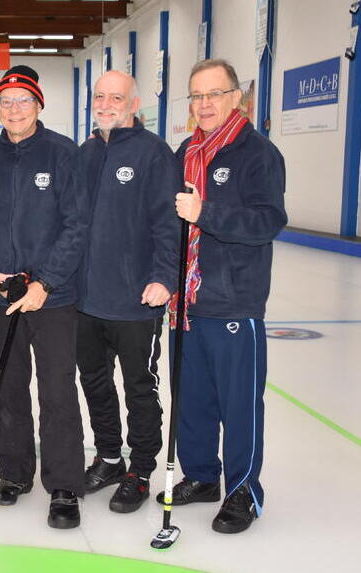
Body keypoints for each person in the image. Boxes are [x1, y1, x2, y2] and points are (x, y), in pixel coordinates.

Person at [161, 58, 286, 534]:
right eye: (196, 96)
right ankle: (201, 476)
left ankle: (243, 492)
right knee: (191, 399)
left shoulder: (257, 154)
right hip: (187, 302)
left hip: (235, 302)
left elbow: (267, 222)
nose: (205, 104)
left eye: (214, 94)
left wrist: (204, 213)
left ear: (237, 97)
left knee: (239, 405)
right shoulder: (185, 151)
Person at [0, 65, 90, 529]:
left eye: (23, 100)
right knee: (9, 387)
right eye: (6, 102)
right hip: (4, 298)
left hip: (54, 299)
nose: (14, 109)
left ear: (39, 105)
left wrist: (46, 283)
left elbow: (77, 225)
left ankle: (64, 484)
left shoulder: (64, 153)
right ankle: (14, 472)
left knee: (58, 390)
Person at [76, 70, 181, 513]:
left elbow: (168, 223)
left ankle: (140, 469)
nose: (105, 103)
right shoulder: (85, 152)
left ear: (134, 104)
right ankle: (109, 457)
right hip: (85, 299)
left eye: (115, 97)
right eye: (99, 96)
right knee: (95, 382)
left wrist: (163, 277)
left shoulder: (154, 154)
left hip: (137, 300)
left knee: (140, 387)